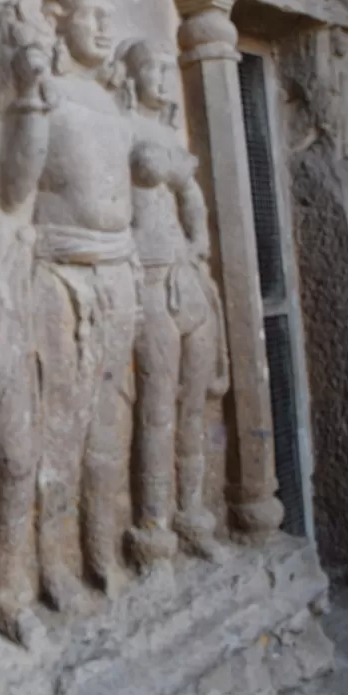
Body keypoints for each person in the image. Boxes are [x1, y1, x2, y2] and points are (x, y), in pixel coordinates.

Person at [0, 0, 137, 609]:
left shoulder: (109, 102)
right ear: (58, 18)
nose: (106, 28)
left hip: (116, 273)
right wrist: (30, 101)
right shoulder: (46, 93)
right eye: (92, 16)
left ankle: (100, 551)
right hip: (62, 276)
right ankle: (52, 566)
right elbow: (14, 190)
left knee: (108, 426)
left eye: (111, 15)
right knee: (60, 425)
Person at [116, 39, 229, 566]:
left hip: (185, 276)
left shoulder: (166, 132)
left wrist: (198, 238)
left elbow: (191, 195)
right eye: (152, 69)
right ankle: (154, 532)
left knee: (192, 406)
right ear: (130, 75)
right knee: (157, 410)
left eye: (167, 70)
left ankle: (193, 515)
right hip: (150, 279)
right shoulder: (119, 128)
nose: (162, 78)